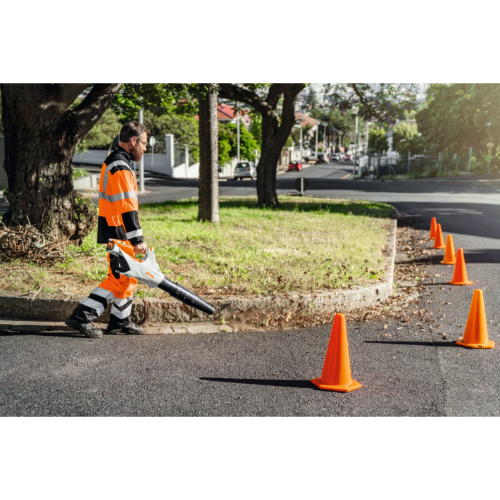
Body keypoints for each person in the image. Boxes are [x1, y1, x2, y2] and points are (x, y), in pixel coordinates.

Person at [65, 122, 149, 338]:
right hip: (119, 230)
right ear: (133, 141)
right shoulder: (119, 165)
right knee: (119, 278)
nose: (145, 148)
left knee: (127, 276)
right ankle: (81, 317)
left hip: (117, 229)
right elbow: (126, 205)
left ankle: (120, 321)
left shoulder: (119, 161)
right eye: (144, 143)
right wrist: (137, 239)